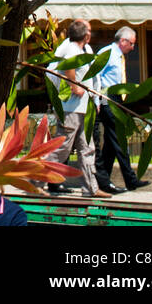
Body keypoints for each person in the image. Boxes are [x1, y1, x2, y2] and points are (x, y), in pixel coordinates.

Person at [46, 19, 112, 198]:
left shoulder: (86, 50)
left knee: (87, 147)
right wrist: (73, 88)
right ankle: (35, 179)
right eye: (89, 30)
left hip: (85, 107)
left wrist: (96, 101)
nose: (90, 33)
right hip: (70, 107)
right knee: (63, 147)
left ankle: (91, 187)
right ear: (85, 34)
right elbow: (64, 68)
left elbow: (93, 76)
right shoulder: (70, 49)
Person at [93, 25, 150, 193]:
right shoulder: (107, 53)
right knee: (118, 138)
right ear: (123, 41)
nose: (133, 47)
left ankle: (104, 181)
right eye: (131, 44)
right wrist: (99, 99)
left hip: (116, 98)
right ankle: (130, 179)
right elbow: (96, 75)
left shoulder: (119, 56)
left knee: (111, 143)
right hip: (107, 97)